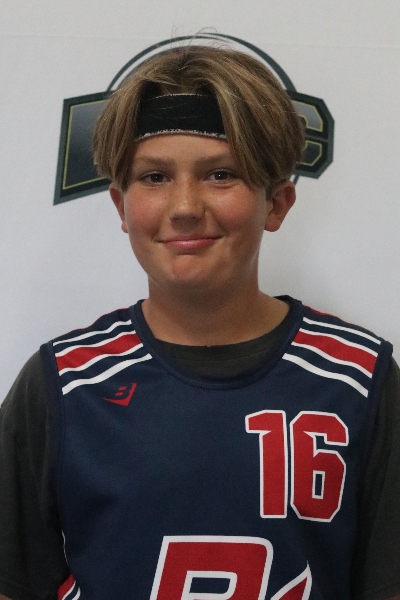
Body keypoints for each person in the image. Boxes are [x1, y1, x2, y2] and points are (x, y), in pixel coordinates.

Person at [0, 45, 399, 600]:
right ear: (120, 205)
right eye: (154, 176)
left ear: (277, 203)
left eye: (220, 174)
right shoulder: (62, 385)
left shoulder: (360, 380)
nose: (185, 206)